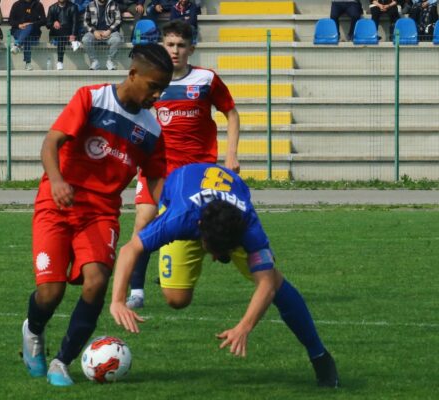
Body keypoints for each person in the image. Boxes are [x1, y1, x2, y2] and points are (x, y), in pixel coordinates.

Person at [20, 43, 173, 387]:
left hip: (100, 213)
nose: (157, 95)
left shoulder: (151, 129)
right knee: (51, 293)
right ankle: (33, 330)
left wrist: (174, 209)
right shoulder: (91, 98)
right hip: (57, 203)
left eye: (163, 88)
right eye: (153, 86)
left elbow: (156, 178)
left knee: (97, 281)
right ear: (133, 74)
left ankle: (62, 361)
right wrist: (57, 181)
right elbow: (51, 142)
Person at [110, 162, 340, 388]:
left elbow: (267, 284)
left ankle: (320, 356)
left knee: (276, 283)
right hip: (187, 200)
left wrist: (244, 327)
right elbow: (130, 249)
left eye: (221, 253)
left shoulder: (248, 227)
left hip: (224, 215)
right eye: (213, 252)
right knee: (176, 299)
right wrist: (118, 300)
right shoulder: (179, 218)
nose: (213, 259)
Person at [126, 20, 240, 310]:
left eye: (180, 45)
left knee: (202, 224)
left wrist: (231, 156)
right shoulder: (152, 80)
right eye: (169, 45)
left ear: (192, 48)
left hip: (197, 171)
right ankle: (136, 291)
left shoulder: (206, 80)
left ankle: (218, 260)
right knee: (144, 220)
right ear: (162, 46)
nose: (174, 51)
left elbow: (231, 113)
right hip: (159, 167)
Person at [81, 0, 123, 70]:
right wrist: (94, 31)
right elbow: (85, 22)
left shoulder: (113, 4)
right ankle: (95, 62)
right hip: (94, 33)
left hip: (110, 32)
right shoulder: (90, 5)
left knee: (117, 39)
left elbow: (118, 20)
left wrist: (110, 30)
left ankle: (110, 61)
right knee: (85, 39)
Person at [9, 0, 46, 71]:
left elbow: (44, 20)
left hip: (33, 32)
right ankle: (28, 63)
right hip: (18, 31)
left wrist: (31, 24)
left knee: (28, 33)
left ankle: (17, 44)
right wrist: (19, 25)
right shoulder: (16, 4)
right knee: (26, 37)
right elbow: (10, 20)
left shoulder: (38, 5)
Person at [46, 0, 79, 70]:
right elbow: (47, 24)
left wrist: (73, 35)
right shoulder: (52, 8)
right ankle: (60, 62)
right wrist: (53, 23)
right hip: (56, 35)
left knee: (62, 38)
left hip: (69, 35)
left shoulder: (73, 7)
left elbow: (75, 23)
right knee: (61, 37)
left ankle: (60, 62)